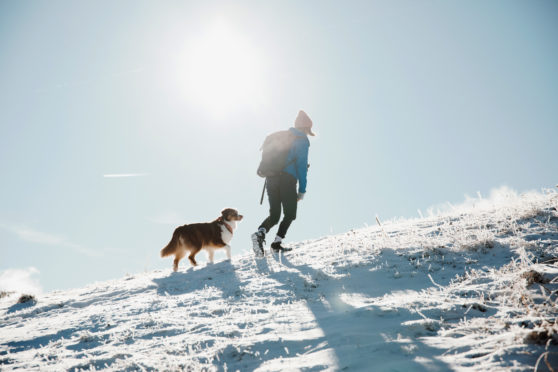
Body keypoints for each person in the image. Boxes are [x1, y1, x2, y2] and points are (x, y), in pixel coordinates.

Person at [252, 110, 315, 255]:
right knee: (290, 214)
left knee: (274, 215)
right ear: (306, 128)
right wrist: (302, 191)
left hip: (271, 179)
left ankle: (259, 234)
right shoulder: (302, 140)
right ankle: (276, 243)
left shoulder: (282, 136)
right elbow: (301, 167)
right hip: (287, 180)